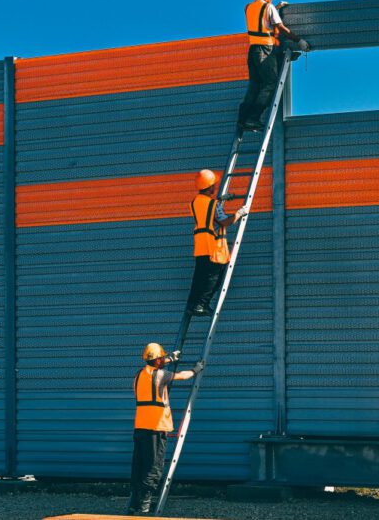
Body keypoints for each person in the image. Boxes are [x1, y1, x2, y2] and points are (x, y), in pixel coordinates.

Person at [127, 342, 205, 515]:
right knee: (153, 466)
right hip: (156, 426)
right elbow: (182, 376)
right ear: (156, 361)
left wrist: (171, 358)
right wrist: (195, 369)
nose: (163, 359)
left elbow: (150, 377)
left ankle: (135, 502)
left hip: (140, 427)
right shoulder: (161, 374)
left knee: (139, 465)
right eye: (161, 358)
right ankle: (145, 504)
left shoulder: (138, 376)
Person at [236, 0, 310, 131]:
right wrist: (299, 40)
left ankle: (243, 119)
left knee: (254, 85)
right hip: (265, 50)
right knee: (270, 83)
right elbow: (281, 28)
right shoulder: (269, 8)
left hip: (253, 50)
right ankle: (253, 118)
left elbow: (261, 21)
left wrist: (276, 8)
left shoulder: (249, 7)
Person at [186, 169, 248, 317]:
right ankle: (201, 305)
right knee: (214, 278)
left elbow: (206, 212)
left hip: (201, 246)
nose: (215, 186)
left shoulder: (195, 203)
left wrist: (220, 200)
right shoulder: (214, 204)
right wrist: (239, 213)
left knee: (200, 277)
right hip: (213, 247)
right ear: (209, 186)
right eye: (213, 184)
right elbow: (225, 221)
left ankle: (193, 304)